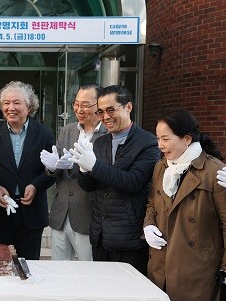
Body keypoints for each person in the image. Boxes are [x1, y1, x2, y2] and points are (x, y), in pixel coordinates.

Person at [69, 85, 160, 275]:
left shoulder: (148, 142)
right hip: (101, 234)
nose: (105, 117)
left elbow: (134, 182)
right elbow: (90, 187)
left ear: (128, 107)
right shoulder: (101, 142)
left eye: (111, 110)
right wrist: (84, 171)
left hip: (129, 236)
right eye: (100, 112)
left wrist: (94, 167)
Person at [143, 109, 226, 301]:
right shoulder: (161, 166)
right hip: (160, 264)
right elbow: (152, 203)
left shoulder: (214, 171)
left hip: (196, 270)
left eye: (165, 139)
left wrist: (225, 267)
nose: (160, 145)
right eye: (157, 139)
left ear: (187, 139)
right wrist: (148, 225)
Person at [0, 81, 56, 260]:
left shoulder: (44, 133)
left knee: (30, 266)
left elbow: (53, 169)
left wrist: (36, 185)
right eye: (6, 103)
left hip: (31, 212)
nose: (11, 107)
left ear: (29, 106)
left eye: (17, 102)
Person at [41, 83, 106, 261]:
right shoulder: (68, 130)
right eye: (76, 104)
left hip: (88, 213)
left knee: (88, 271)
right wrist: (53, 167)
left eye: (85, 105)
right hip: (61, 212)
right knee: (59, 270)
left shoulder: (107, 134)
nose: (79, 109)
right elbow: (57, 171)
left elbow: (106, 174)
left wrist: (78, 167)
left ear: (98, 105)